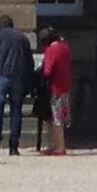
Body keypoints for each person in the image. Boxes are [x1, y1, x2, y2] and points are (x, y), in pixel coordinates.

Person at [0, 12, 38, 157]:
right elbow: (29, 62)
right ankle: (14, 146)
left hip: (0, 75)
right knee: (16, 111)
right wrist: (30, 83)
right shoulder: (22, 38)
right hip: (18, 78)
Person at [36, 23, 76, 154]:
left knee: (56, 118)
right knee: (57, 117)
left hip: (55, 87)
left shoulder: (51, 50)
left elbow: (47, 71)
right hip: (65, 85)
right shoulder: (65, 48)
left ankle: (59, 147)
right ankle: (53, 145)